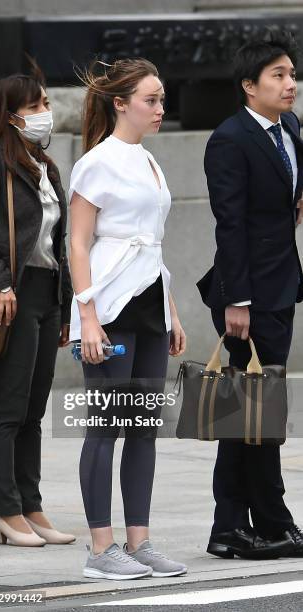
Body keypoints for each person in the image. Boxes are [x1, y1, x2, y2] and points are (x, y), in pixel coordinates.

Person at [69, 58, 187, 580]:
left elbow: (153, 245)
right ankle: (102, 549)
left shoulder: (150, 162)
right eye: (151, 100)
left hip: (150, 307)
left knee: (143, 429)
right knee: (106, 427)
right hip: (110, 308)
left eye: (162, 99)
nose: (161, 109)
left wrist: (173, 310)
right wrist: (88, 318)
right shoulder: (96, 162)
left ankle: (139, 544)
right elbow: (77, 244)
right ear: (121, 103)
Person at [197, 29, 303, 559]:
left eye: (291, 74)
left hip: (280, 286)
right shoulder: (230, 139)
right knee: (248, 414)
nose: (291, 84)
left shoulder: (289, 128)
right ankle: (246, 524)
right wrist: (237, 299)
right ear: (248, 85)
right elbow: (229, 225)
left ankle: (257, 523)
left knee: (259, 412)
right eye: (279, 76)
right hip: (247, 296)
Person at [0, 69, 75, 546]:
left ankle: (31, 506)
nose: (44, 114)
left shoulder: (45, 165)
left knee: (35, 409)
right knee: (9, 407)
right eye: (34, 106)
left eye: (45, 104)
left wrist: (66, 304)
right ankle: (6, 511)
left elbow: (60, 243)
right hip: (12, 298)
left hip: (46, 294)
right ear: (9, 114)